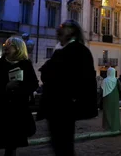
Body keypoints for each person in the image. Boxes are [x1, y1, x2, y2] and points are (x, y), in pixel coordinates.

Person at [39, 20, 98, 156]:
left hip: (64, 105)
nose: (59, 30)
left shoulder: (77, 51)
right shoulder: (63, 50)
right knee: (61, 144)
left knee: (63, 145)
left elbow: (81, 78)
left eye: (63, 27)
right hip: (58, 105)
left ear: (72, 31)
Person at [0, 36, 39, 156]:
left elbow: (33, 84)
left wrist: (20, 87)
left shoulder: (26, 64)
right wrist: (6, 86)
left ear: (18, 48)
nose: (6, 46)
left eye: (10, 44)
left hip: (16, 112)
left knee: (11, 146)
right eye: (5, 44)